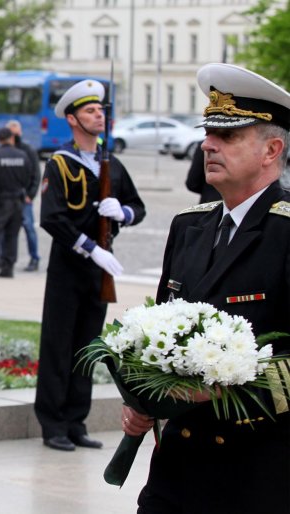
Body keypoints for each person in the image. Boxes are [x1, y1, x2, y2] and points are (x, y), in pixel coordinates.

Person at [123, 63, 290, 513]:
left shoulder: (285, 232)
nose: (207, 144)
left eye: (228, 136)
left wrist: (215, 389)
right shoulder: (189, 226)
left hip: (257, 470)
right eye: (208, 133)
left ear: (272, 149)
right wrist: (142, 393)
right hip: (177, 466)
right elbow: (156, 331)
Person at [34, 79, 146, 452]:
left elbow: (138, 207)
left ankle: (76, 421)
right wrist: (90, 248)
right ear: (72, 119)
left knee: (87, 347)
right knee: (58, 346)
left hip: (99, 271)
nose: (99, 115)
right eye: (89, 111)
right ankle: (53, 424)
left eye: (100, 110)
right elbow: (51, 218)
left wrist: (124, 212)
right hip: (68, 268)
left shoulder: (109, 163)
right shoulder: (61, 163)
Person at [0, 127, 37, 279]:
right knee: (12, 234)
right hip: (18, 199)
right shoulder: (23, 155)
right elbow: (29, 177)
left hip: (0, 200)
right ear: (12, 138)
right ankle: (8, 267)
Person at [6, 119, 42, 271]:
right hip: (7, 198)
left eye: (16, 133)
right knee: (7, 229)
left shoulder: (28, 150)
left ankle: (34, 258)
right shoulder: (4, 149)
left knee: (28, 227)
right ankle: (6, 260)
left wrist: (30, 195)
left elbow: (36, 174)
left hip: (24, 197)